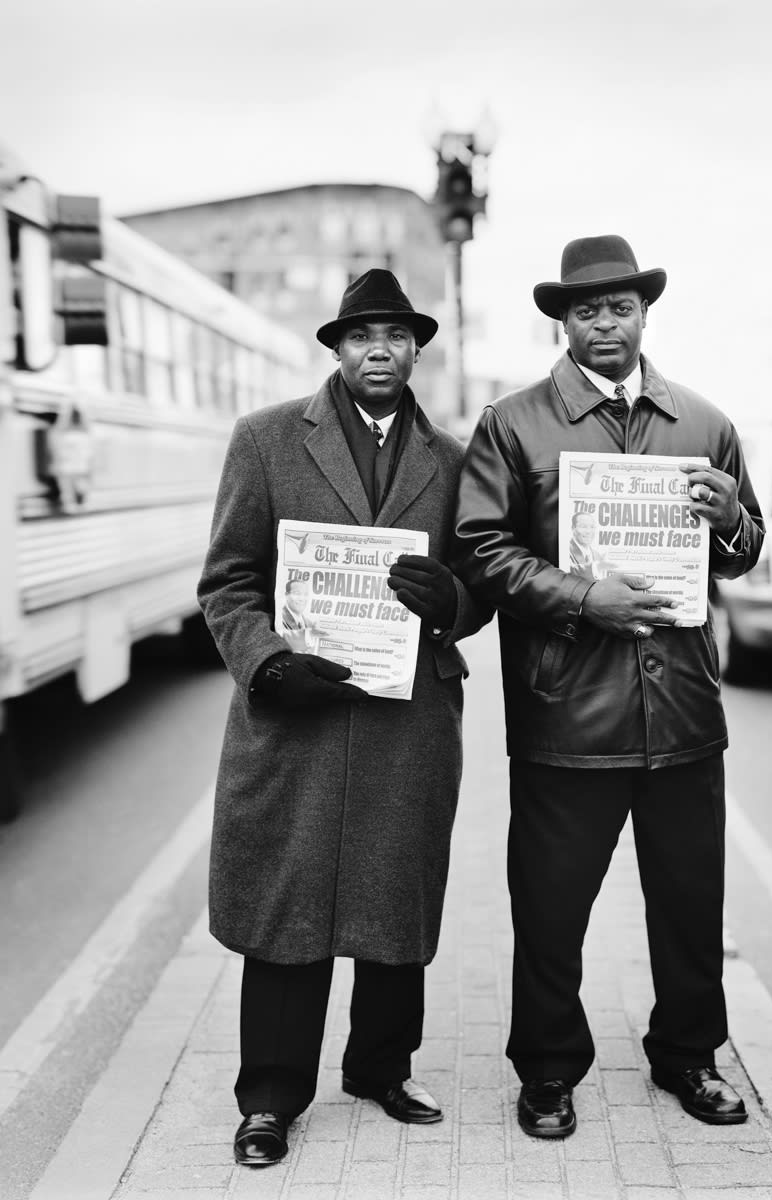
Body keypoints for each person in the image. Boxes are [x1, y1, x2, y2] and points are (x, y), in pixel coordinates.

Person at [452, 235, 765, 1139]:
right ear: (563, 322)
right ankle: (548, 1069)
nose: (603, 324)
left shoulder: (704, 423)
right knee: (550, 911)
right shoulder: (512, 424)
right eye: (585, 310)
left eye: (619, 307)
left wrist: (730, 518)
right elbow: (480, 549)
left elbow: (743, 553)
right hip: (567, 714)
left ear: (643, 314)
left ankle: (689, 1055)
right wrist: (582, 597)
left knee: (689, 903)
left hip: (683, 712)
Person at [199, 269, 488, 1167]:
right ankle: (269, 1097)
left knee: (394, 899)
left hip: (407, 720)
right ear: (337, 348)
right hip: (298, 720)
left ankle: (380, 1068)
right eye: (361, 336)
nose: (379, 350)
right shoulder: (266, 439)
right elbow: (227, 581)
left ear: (416, 350)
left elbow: (483, 582)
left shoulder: (454, 461)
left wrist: (453, 601)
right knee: (287, 904)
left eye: (395, 336)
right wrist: (267, 662)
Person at [567, 509, 604, 580]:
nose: (588, 531)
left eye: (592, 527)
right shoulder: (565, 551)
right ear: (573, 528)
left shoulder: (597, 555)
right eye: (583, 526)